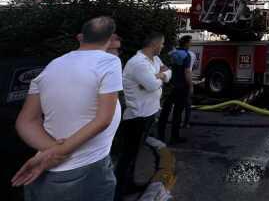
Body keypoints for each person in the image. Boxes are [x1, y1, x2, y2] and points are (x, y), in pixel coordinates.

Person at [12, 16, 122, 201]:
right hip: (86, 170)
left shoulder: (53, 65)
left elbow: (26, 121)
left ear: (81, 37)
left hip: (47, 168)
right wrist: (57, 152)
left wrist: (49, 151)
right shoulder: (108, 62)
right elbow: (104, 119)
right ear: (110, 39)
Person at [115, 32, 171, 199]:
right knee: (127, 157)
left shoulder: (154, 60)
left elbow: (169, 72)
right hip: (137, 117)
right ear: (153, 45)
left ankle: (128, 185)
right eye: (161, 44)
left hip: (148, 114)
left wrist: (161, 75)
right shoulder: (138, 63)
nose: (162, 47)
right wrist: (159, 78)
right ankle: (117, 193)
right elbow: (152, 85)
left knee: (133, 155)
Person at [157, 36, 193, 144]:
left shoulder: (172, 53)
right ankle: (174, 137)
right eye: (190, 42)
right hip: (182, 87)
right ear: (186, 43)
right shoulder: (187, 55)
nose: (191, 44)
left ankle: (160, 135)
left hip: (170, 85)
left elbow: (166, 67)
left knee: (165, 111)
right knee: (177, 112)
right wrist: (191, 85)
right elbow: (187, 72)